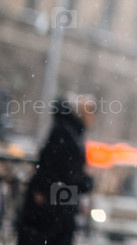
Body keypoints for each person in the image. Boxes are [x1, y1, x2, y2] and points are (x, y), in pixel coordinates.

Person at [17, 94, 95, 245]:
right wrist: (84, 181)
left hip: (57, 201)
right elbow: (61, 170)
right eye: (90, 113)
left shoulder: (68, 132)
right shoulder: (67, 134)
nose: (92, 119)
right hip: (55, 203)